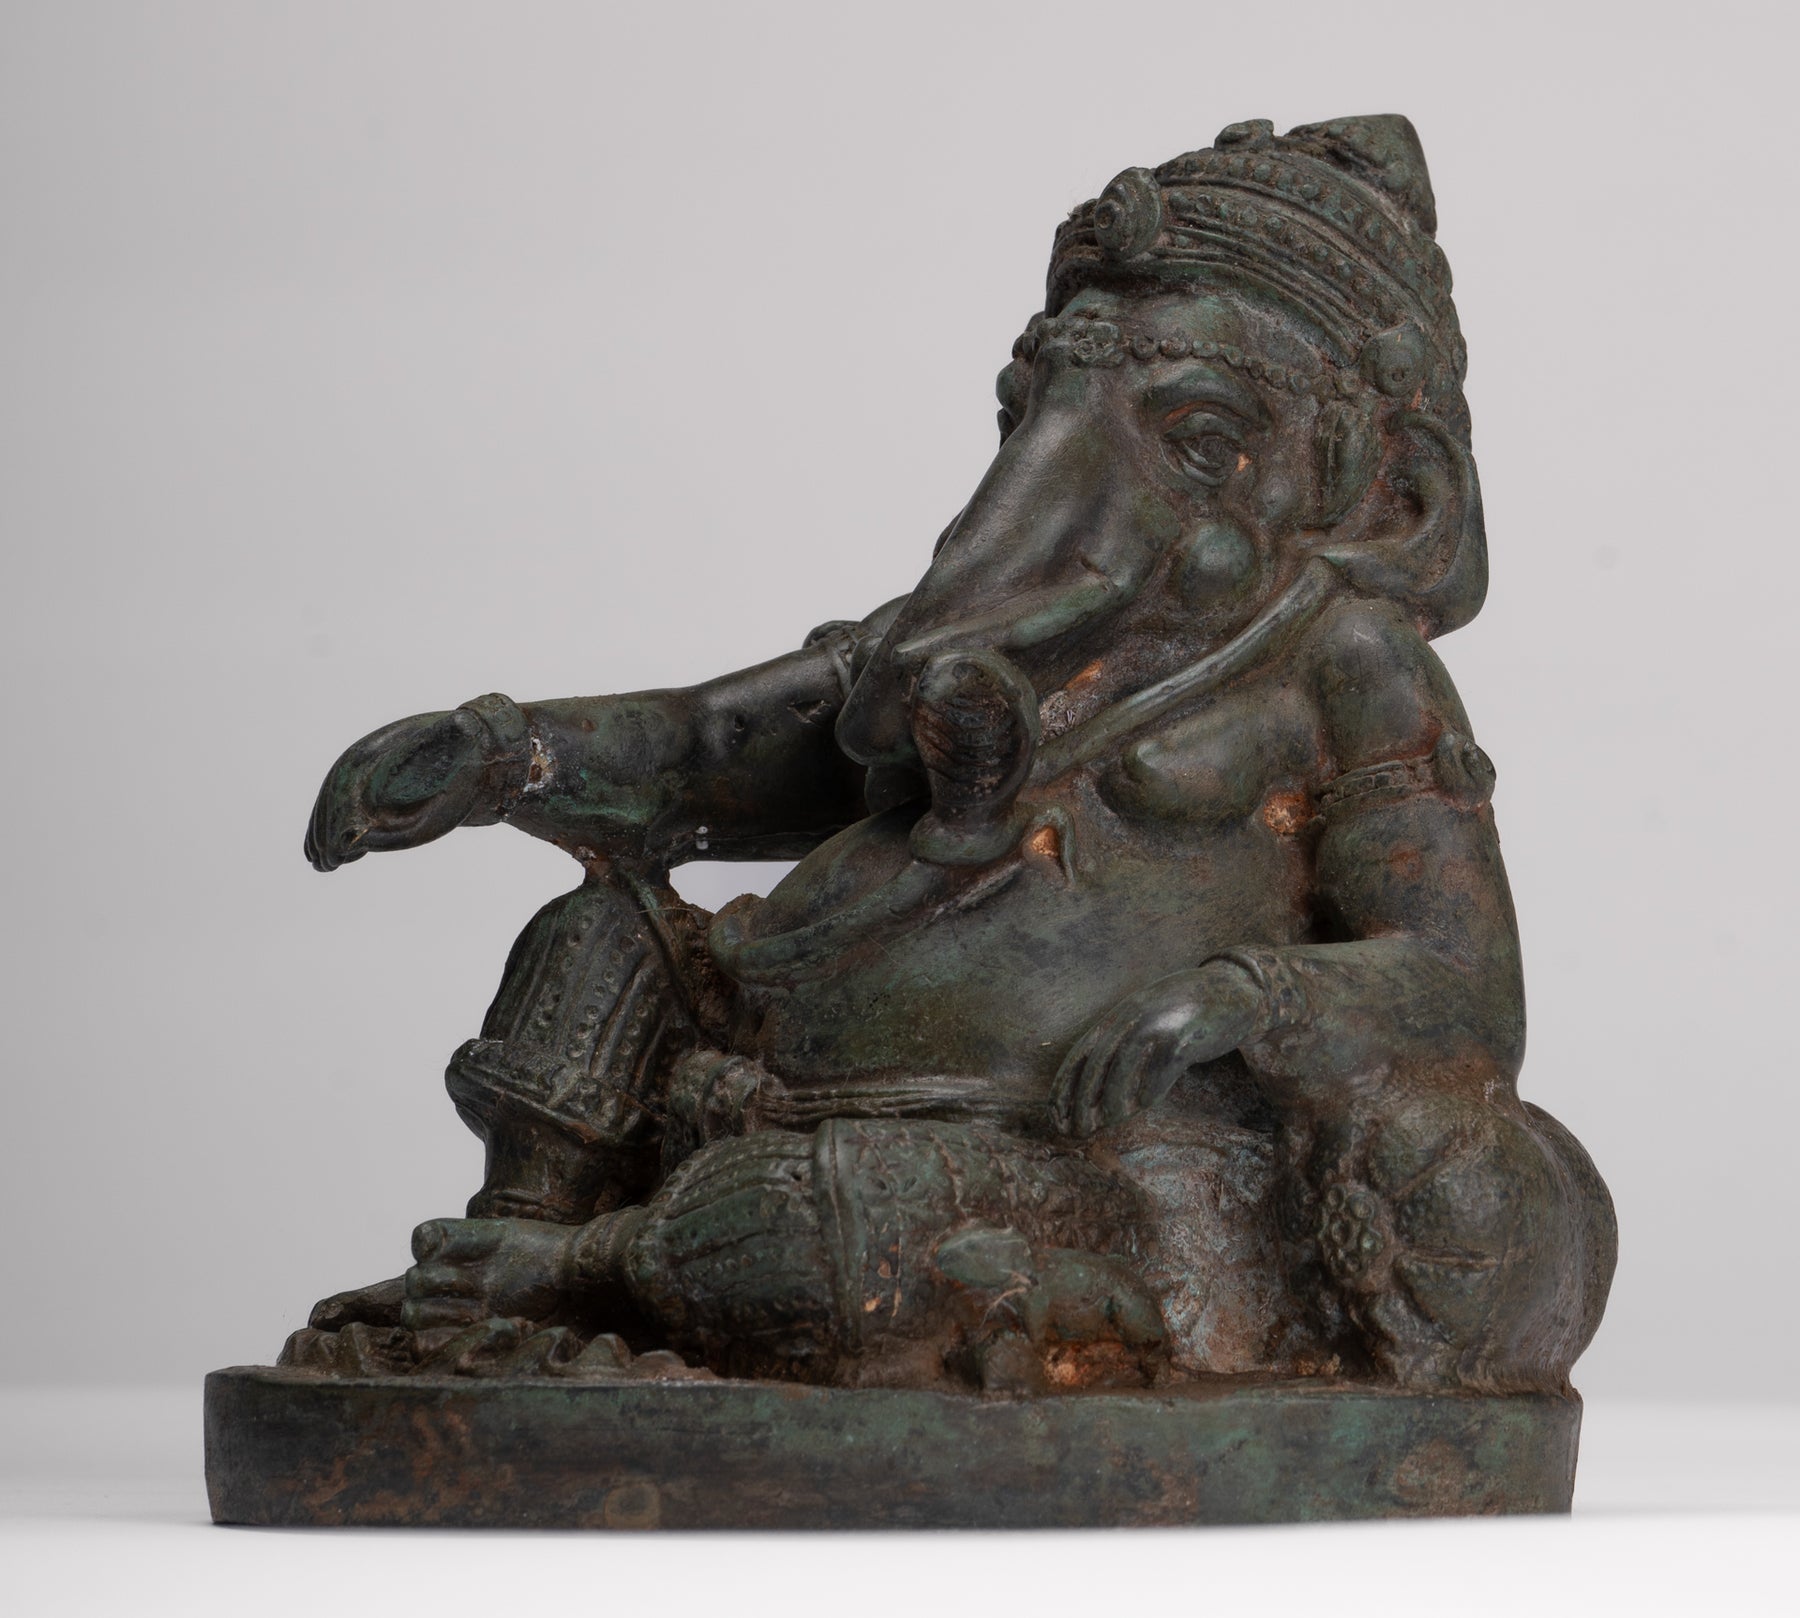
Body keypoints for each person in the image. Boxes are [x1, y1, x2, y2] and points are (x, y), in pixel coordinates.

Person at [292, 115, 1614, 1395]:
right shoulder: (973, 629)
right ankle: (493, 1263)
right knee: (596, 935)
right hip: (757, 1065)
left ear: (1377, 493)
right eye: (1040, 423)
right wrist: (507, 751)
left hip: (1051, 1158)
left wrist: (1245, 997)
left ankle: (579, 1274)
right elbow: (714, 744)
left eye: (1198, 442)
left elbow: (1461, 982)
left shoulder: (1342, 664)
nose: (1070, 497)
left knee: (841, 1223)